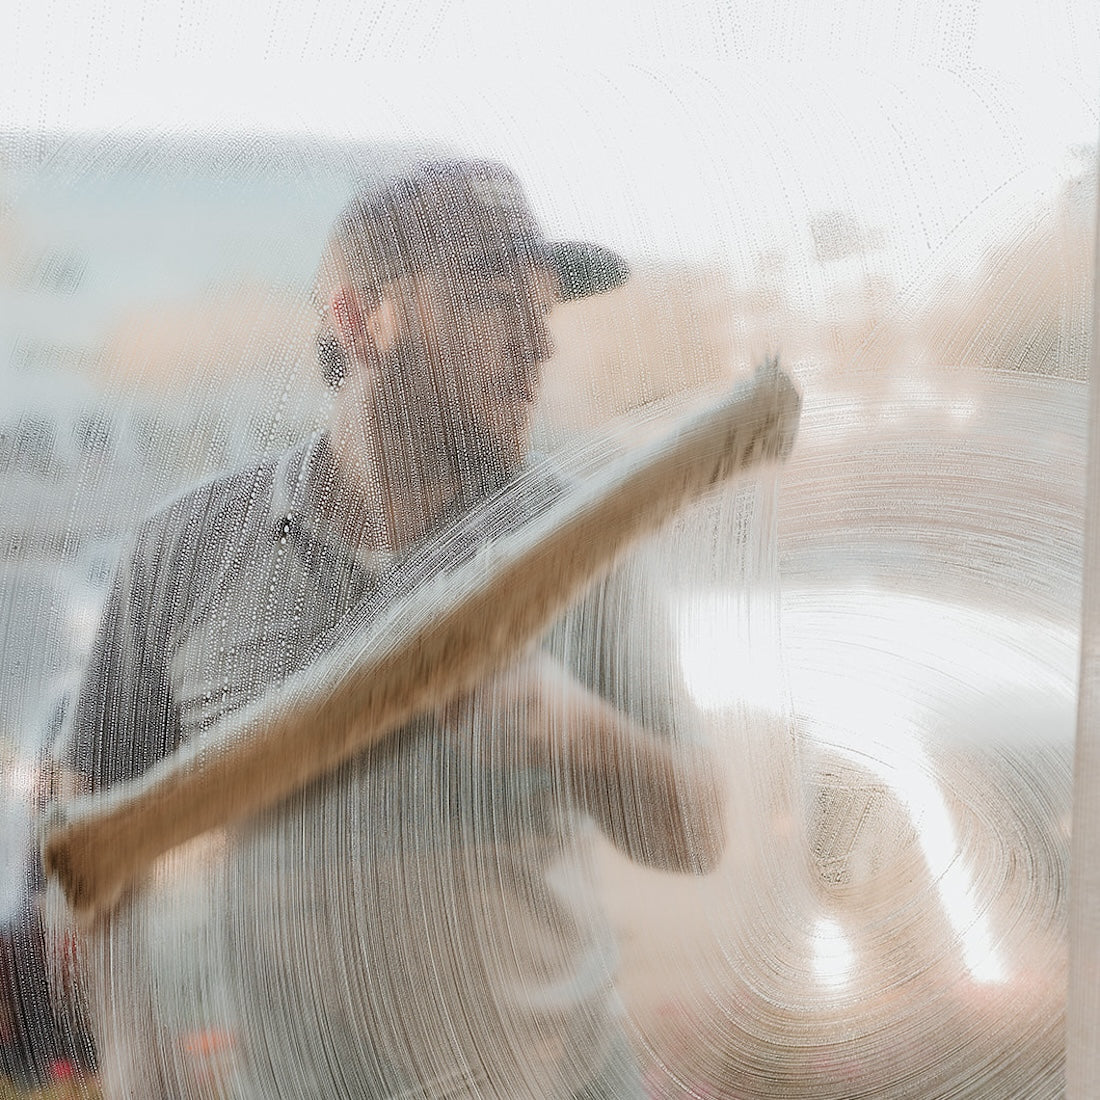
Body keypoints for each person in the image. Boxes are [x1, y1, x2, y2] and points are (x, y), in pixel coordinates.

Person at [57, 156, 727, 1098]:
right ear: (360, 320)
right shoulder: (187, 552)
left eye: (542, 308)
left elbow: (699, 831)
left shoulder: (582, 545)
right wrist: (137, 1050)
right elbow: (87, 823)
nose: (538, 345)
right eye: (491, 304)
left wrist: (572, 729)